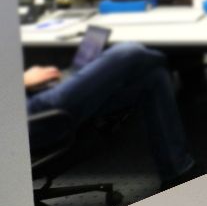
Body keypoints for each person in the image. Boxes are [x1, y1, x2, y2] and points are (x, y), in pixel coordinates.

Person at [25, 42, 197, 191]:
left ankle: (178, 172)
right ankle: (171, 60)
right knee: (128, 52)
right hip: (25, 120)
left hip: (28, 99)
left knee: (153, 77)